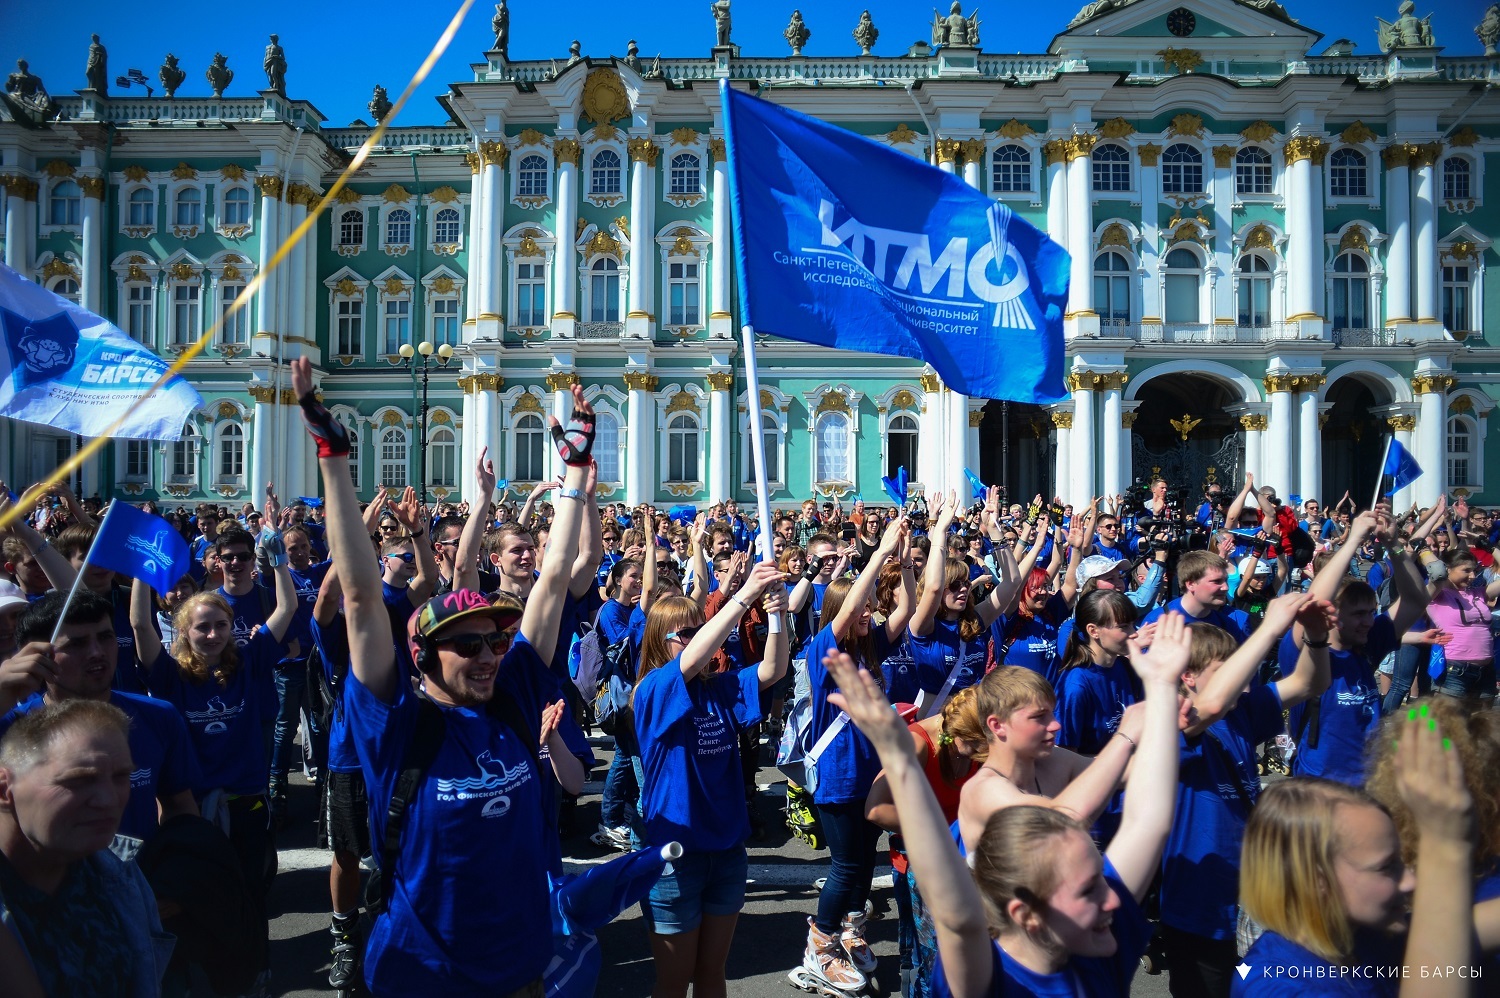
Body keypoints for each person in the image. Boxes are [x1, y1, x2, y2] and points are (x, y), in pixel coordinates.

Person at [293, 355, 588, 996]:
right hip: (421, 971)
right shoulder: (398, 724)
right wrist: (333, 460)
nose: (487, 656)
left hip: (518, 966)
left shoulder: (510, 694)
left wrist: (575, 471)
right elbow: (363, 599)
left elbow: (557, 574)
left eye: (494, 641)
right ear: (424, 656)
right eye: (468, 646)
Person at [826, 610, 1191, 998]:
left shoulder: (1098, 943)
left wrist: (1164, 690)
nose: (1113, 898)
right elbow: (961, 917)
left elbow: (1148, 820)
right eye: (1089, 889)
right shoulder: (994, 978)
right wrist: (1128, 737)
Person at [1158, 592, 1335, 998]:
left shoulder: (1241, 709)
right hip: (1198, 909)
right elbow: (1213, 703)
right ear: (1189, 676)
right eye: (1230, 670)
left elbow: (1312, 681)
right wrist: (1272, 626)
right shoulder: (1174, 721)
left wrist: (1317, 636)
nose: (1245, 680)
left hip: (1252, 893)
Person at [632, 560, 789, 998]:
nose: (698, 639)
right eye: (685, 633)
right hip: (674, 857)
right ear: (661, 644)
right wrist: (742, 597)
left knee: (711, 974)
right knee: (673, 981)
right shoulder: (652, 689)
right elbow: (696, 655)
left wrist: (777, 616)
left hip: (727, 851)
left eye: (698, 628)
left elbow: (772, 670)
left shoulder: (718, 687)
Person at [1235, 712, 1474, 996]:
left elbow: (1466, 927)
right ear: (1317, 880)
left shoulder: (1362, 934)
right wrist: (1447, 848)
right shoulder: (1276, 986)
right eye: (1386, 867)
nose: (1410, 881)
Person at [799, 515, 913, 993]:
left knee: (865, 863)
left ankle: (850, 929)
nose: (868, 612)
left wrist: (904, 566)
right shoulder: (822, 651)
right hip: (836, 777)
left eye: (869, 607)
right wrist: (879, 552)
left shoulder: (869, 651)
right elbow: (845, 617)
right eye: (861, 607)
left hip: (869, 777)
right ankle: (818, 946)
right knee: (845, 866)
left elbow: (906, 611)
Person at [0, 699, 174, 997]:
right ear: (4, 789)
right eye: (79, 780)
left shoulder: (122, 874)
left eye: (121, 776)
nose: (108, 800)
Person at [0, 590, 200, 843]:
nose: (96, 652)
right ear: (36, 655)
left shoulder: (159, 716)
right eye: (77, 643)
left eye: (105, 637)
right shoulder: (13, 729)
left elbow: (180, 807)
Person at [1284, 510, 1428, 787]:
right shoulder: (1307, 652)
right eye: (1359, 614)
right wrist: (1352, 542)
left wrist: (1393, 544)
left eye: (1372, 612)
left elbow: (1415, 599)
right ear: (1331, 616)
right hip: (1319, 786)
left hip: (1369, 784)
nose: (1368, 622)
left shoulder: (1368, 643)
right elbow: (1312, 602)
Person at [864, 688, 986, 998]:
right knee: (928, 960)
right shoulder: (918, 744)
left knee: (961, 954)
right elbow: (876, 808)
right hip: (920, 860)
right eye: (976, 745)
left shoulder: (976, 742)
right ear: (956, 733)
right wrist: (941, 831)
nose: (984, 753)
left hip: (963, 858)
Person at [908, 493, 1023, 719]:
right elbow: (932, 587)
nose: (963, 589)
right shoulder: (923, 627)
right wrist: (940, 530)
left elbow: (1012, 582)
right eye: (954, 584)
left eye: (966, 583)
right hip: (935, 726)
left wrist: (993, 529)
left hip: (974, 723)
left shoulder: (974, 619)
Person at [1053, 590, 1148, 845]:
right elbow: (1063, 761)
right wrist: (1121, 763)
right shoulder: (1076, 685)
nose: (1134, 633)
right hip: (1098, 819)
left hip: (1133, 806)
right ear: (1094, 631)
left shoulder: (1124, 666)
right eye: (1124, 626)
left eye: (1133, 624)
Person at [1423, 548, 1500, 706]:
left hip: (1486, 670)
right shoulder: (1437, 594)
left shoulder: (1479, 593)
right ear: (1448, 569)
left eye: (1474, 570)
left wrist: (1491, 549)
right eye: (1466, 570)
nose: (1472, 576)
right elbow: (1437, 573)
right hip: (1455, 670)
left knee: (1481, 728)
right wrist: (1423, 549)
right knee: (1450, 726)